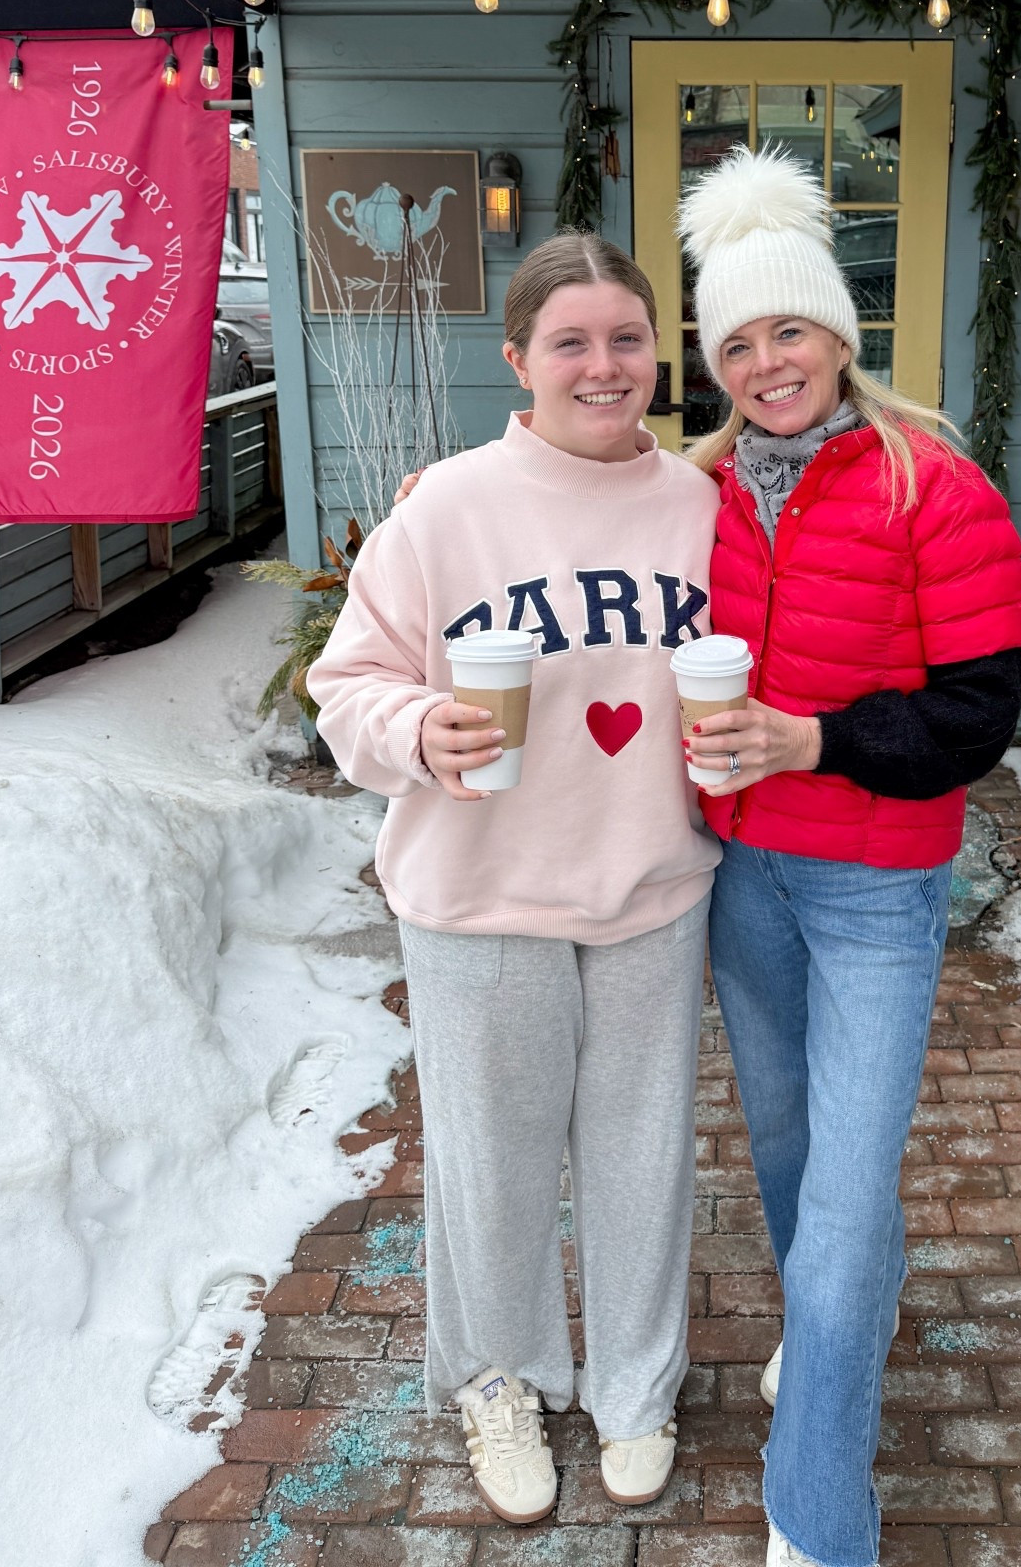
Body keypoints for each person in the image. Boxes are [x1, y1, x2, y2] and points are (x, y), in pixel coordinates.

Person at [306, 233, 719, 1526]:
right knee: (492, 1164)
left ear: (662, 353)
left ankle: (637, 1385)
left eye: (627, 340)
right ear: (520, 361)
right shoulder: (452, 506)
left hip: (655, 884)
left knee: (645, 1155)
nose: (605, 367)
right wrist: (418, 732)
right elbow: (345, 684)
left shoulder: (708, 506)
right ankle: (498, 1380)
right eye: (571, 343)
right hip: (483, 897)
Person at [677, 145, 1021, 1567]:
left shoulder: (932, 490)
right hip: (741, 883)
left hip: (877, 884)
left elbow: (976, 718)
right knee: (788, 1153)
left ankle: (816, 1514)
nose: (769, 363)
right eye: (739, 341)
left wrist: (810, 743)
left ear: (840, 334)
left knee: (842, 1203)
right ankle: (843, 1339)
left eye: (791, 330)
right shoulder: (687, 491)